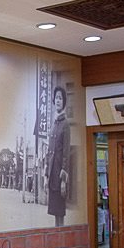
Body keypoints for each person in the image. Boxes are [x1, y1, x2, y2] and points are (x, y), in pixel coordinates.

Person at [47, 85, 71, 227]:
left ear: (64, 102)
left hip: (59, 176)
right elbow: (50, 151)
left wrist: (63, 180)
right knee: (55, 213)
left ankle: (61, 240)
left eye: (60, 98)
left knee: (60, 213)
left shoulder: (65, 124)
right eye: (56, 98)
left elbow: (66, 152)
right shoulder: (54, 124)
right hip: (52, 174)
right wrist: (46, 175)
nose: (58, 100)